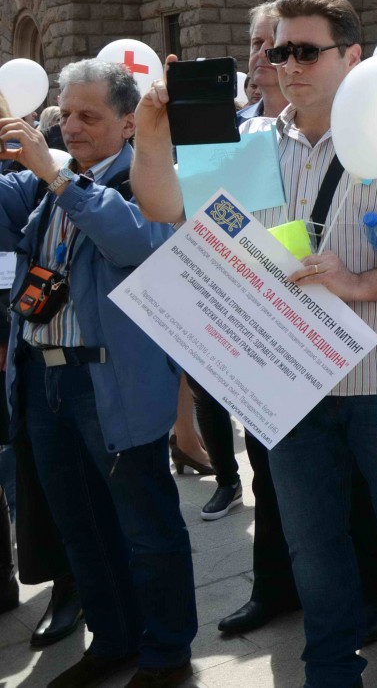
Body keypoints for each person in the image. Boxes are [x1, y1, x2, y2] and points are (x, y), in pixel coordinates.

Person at [133, 0, 377, 688]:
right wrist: (151, 127)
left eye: (304, 51)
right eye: (278, 50)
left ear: (351, 56)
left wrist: (361, 284)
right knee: (314, 550)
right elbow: (162, 206)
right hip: (287, 389)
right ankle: (329, 675)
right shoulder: (249, 143)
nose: (286, 65)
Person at [198, 2, 377, 641]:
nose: (272, 59)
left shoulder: (371, 132)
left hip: (356, 356)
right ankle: (276, 589)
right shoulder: (237, 138)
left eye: (286, 49)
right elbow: (192, 218)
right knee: (271, 476)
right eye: (266, 48)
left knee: (357, 489)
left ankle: (370, 595)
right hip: (269, 348)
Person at [3, 60, 197, 688]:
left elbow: (134, 243)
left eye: (90, 116)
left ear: (126, 121)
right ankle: (112, 641)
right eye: (67, 115)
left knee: (147, 528)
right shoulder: (57, 181)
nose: (74, 128)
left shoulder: (140, 176)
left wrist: (57, 177)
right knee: (80, 525)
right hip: (48, 379)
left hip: (110, 383)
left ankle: (166, 654)